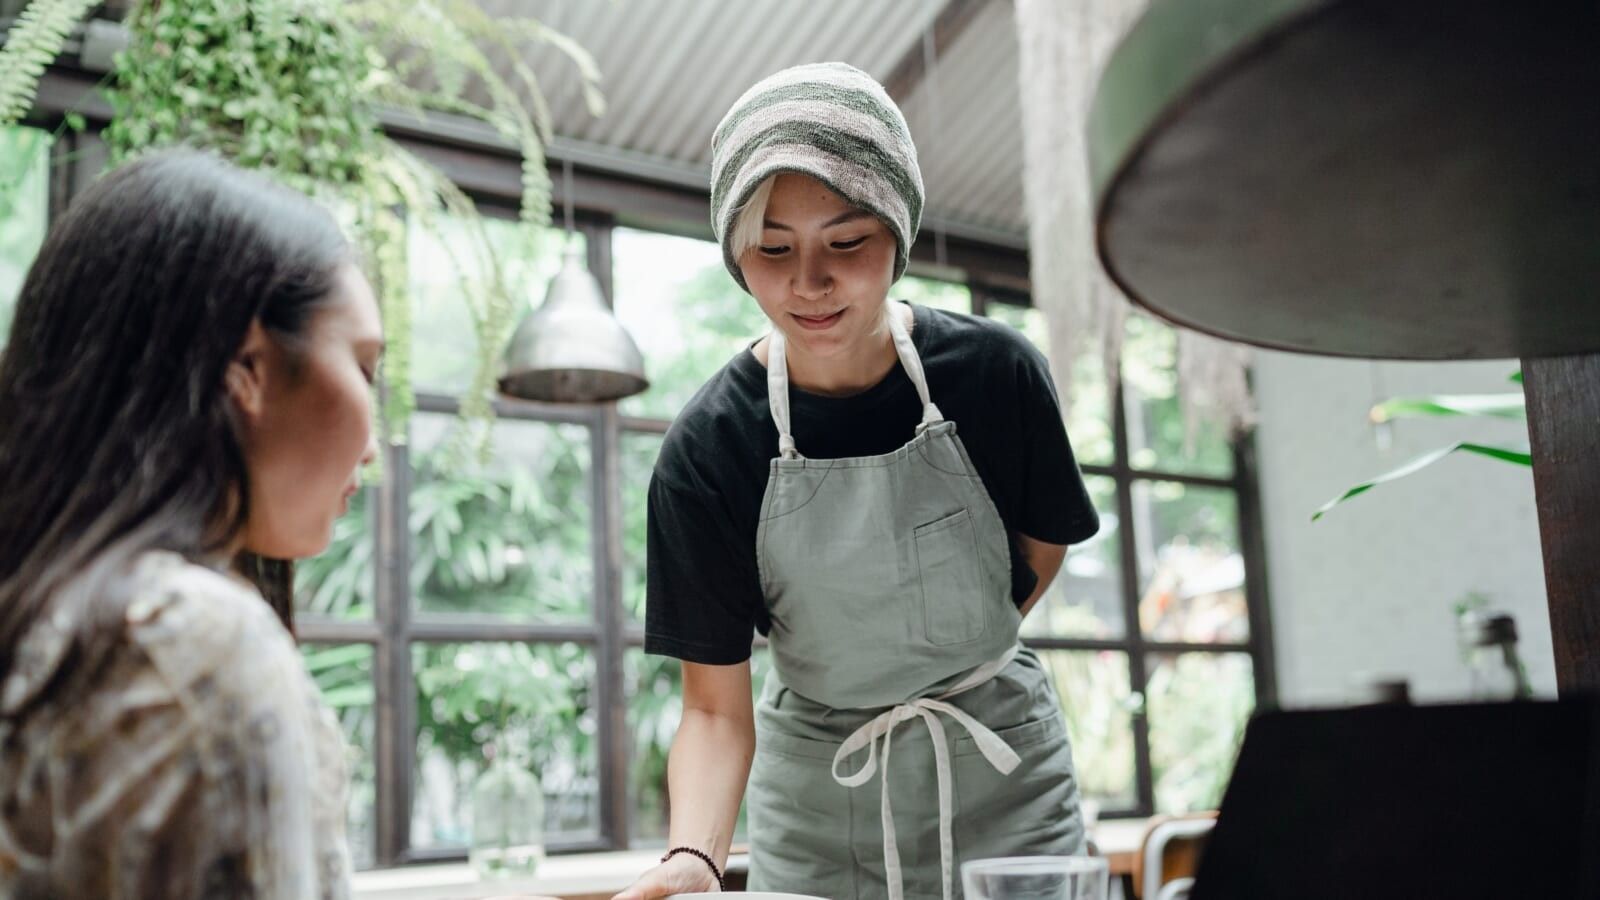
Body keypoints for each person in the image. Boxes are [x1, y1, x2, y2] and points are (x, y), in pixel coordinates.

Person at [617, 63, 1101, 900]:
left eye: (846, 242)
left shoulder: (996, 377)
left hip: (1005, 782)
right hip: (819, 808)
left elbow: (1040, 551)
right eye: (773, 249)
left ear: (899, 234)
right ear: (736, 253)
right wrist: (693, 857)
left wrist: (946, 654)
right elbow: (713, 708)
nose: (808, 282)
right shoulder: (708, 452)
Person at [0, 151, 381, 898]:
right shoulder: (196, 642)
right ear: (248, 368)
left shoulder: (50, 612)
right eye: (365, 368)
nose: (373, 441)